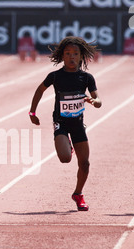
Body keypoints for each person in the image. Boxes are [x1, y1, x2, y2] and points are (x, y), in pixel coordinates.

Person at [29, 36, 102, 211]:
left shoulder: (86, 78)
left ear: (81, 56)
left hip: (78, 124)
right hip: (61, 122)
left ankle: (78, 194)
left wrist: (94, 101)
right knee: (65, 158)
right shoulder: (55, 76)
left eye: (75, 54)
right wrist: (32, 111)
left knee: (85, 164)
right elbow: (39, 90)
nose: (71, 57)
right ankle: (66, 143)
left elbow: (97, 98)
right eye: (68, 53)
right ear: (62, 56)